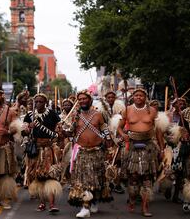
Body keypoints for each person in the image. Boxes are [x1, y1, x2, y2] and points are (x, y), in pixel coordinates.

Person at [65, 90, 113, 218]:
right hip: (82, 153)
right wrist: (62, 130)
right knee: (83, 181)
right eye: (79, 99)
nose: (82, 101)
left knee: (96, 179)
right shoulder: (75, 116)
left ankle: (94, 201)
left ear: (89, 100)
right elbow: (70, 132)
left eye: (84, 99)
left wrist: (108, 141)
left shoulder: (98, 114)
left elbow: (104, 129)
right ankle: (85, 207)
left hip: (97, 152)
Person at [117, 88, 164, 217]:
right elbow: (119, 128)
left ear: (145, 97)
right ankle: (132, 198)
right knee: (133, 177)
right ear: (133, 97)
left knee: (147, 178)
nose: (138, 97)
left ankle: (145, 207)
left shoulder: (153, 111)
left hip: (148, 146)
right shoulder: (127, 109)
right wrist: (124, 135)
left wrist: (162, 148)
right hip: (132, 145)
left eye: (141, 96)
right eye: (136, 95)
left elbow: (159, 131)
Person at [22, 93, 62, 213]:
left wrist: (56, 136)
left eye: (41, 101)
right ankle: (41, 203)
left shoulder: (52, 114)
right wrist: (29, 127)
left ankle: (52, 203)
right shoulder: (29, 116)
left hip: (48, 149)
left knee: (50, 175)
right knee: (37, 176)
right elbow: (23, 133)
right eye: (37, 101)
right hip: (35, 149)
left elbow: (59, 132)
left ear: (45, 102)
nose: (38, 104)